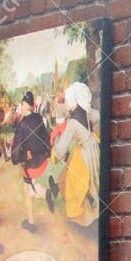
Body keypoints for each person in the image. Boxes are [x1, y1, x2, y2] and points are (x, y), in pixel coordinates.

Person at [40, 81, 100, 227]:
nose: (65, 102)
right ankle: (95, 211)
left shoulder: (72, 122)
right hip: (93, 147)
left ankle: (90, 216)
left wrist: (53, 152)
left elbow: (60, 150)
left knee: (77, 183)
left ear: (72, 100)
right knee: (91, 181)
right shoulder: (85, 111)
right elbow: (98, 117)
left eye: (66, 99)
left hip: (86, 153)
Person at [11, 91, 52, 233]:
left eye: (22, 104)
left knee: (27, 191)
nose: (20, 107)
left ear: (26, 105)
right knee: (29, 187)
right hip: (41, 161)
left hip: (30, 165)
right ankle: (45, 193)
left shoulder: (22, 125)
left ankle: (31, 222)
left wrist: (17, 158)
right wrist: (46, 152)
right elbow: (46, 138)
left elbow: (16, 149)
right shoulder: (39, 118)